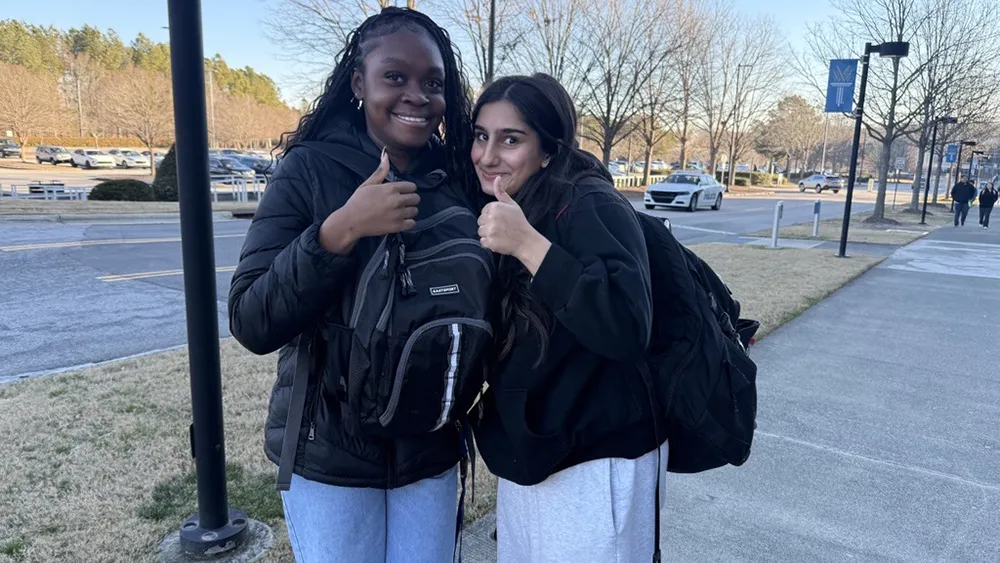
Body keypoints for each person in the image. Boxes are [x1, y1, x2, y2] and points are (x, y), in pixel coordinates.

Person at [227, 8, 481, 562]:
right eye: (395, 77)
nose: (417, 95)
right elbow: (250, 319)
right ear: (358, 83)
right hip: (331, 454)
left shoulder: (461, 177)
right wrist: (340, 231)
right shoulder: (310, 170)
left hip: (429, 447)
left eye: (433, 83)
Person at [470, 73, 666, 562]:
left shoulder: (590, 204)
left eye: (510, 139)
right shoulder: (515, 205)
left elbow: (626, 327)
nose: (488, 155)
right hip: (537, 455)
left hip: (600, 462)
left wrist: (530, 247)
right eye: (480, 135)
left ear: (549, 150)